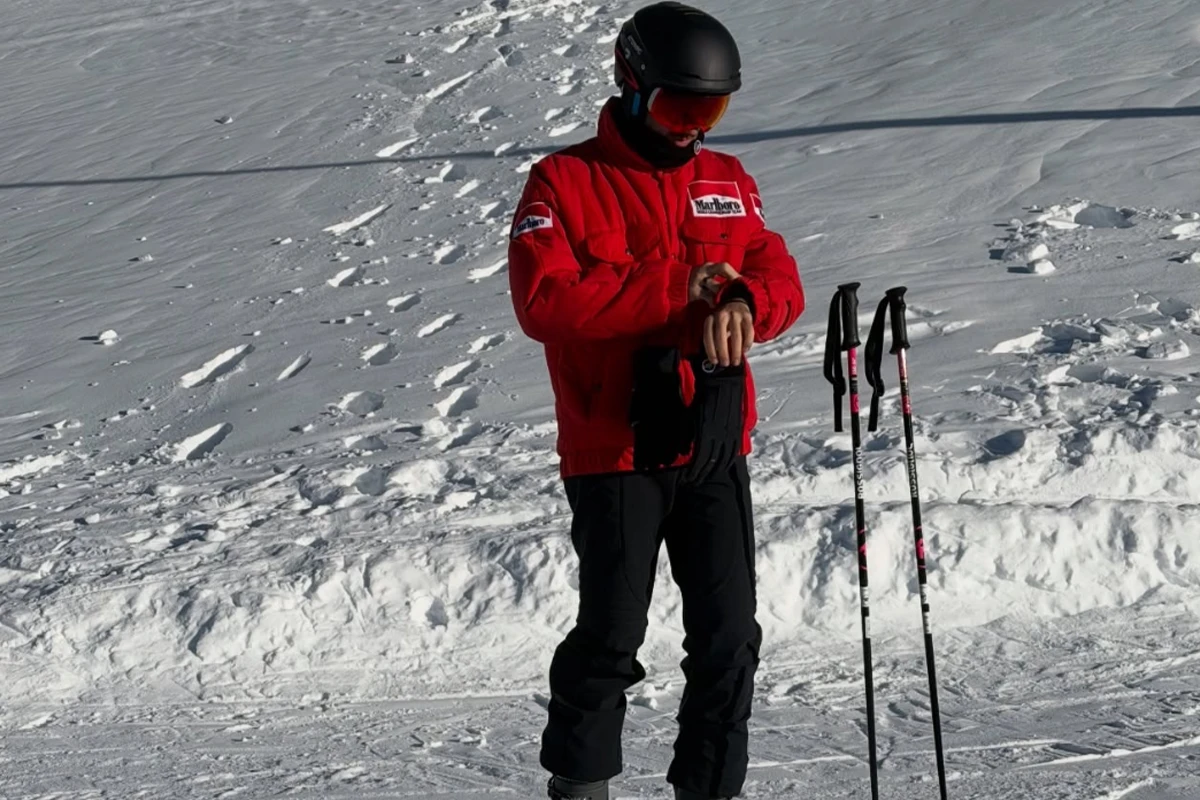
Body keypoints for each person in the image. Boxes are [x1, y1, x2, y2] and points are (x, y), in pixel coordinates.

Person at [507, 3, 805, 798]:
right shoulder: (562, 183)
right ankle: (580, 786)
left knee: (729, 640)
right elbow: (546, 302)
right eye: (679, 108)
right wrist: (679, 290)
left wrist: (746, 302)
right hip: (614, 450)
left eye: (709, 111)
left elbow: (780, 279)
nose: (691, 130)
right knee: (610, 639)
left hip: (712, 442)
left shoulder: (728, 184)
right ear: (632, 85)